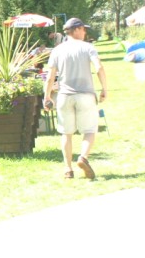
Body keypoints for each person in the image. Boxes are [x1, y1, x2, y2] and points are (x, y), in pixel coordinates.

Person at [43, 18, 107, 180]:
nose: (85, 32)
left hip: (64, 96)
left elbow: (50, 77)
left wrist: (47, 96)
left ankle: (68, 169)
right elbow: (99, 68)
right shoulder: (88, 47)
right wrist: (104, 89)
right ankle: (83, 158)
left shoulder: (57, 50)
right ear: (77, 30)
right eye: (84, 29)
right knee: (90, 130)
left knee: (66, 133)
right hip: (85, 95)